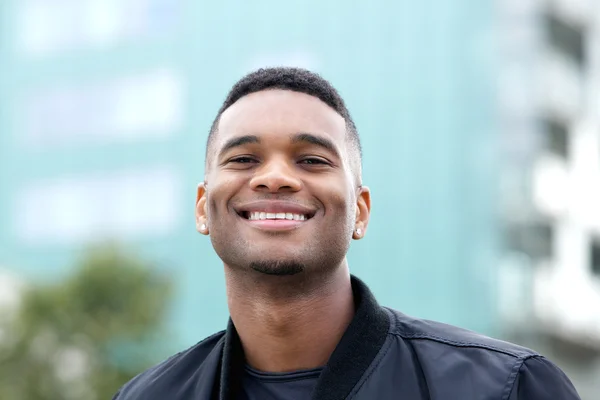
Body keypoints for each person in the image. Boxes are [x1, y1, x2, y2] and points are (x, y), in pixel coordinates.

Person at [112, 67, 580, 399]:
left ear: (360, 211)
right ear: (202, 209)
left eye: (312, 160)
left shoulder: (507, 387)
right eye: (243, 159)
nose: (275, 178)